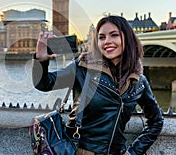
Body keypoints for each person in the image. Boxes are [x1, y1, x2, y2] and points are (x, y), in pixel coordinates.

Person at [32, 15, 164, 155]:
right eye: (101, 37)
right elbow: (44, 84)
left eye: (114, 35)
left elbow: (156, 121)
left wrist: (133, 152)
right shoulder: (82, 68)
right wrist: (40, 61)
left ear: (128, 38)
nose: (107, 41)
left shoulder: (139, 82)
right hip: (80, 151)